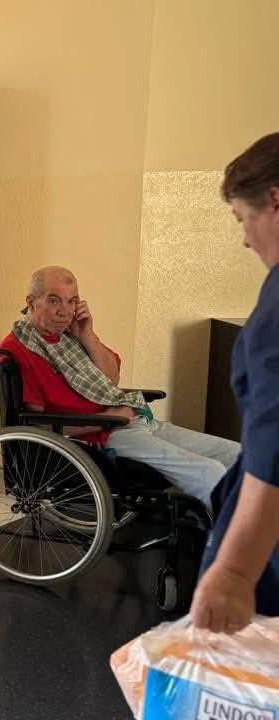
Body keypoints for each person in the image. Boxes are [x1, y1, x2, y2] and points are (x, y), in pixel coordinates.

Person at [0, 266, 240, 508]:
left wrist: (87, 335)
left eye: (72, 301)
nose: (65, 311)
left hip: (135, 420)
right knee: (211, 472)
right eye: (54, 300)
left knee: (237, 455)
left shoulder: (70, 335)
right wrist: (106, 419)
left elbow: (111, 379)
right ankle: (233, 531)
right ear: (31, 302)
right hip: (105, 435)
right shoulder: (19, 349)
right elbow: (37, 425)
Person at [190, 133, 279, 632]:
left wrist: (235, 571)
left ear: (275, 201)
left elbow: (274, 445)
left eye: (242, 218)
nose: (245, 239)